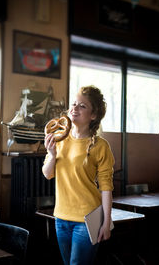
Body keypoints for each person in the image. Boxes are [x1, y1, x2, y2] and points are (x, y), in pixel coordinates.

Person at [42, 85, 115, 265]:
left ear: (93, 115)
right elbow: (47, 174)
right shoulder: (58, 138)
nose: (74, 108)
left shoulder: (101, 146)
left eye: (82, 106)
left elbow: (106, 187)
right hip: (60, 217)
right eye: (74, 104)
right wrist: (51, 155)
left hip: (88, 219)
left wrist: (106, 222)